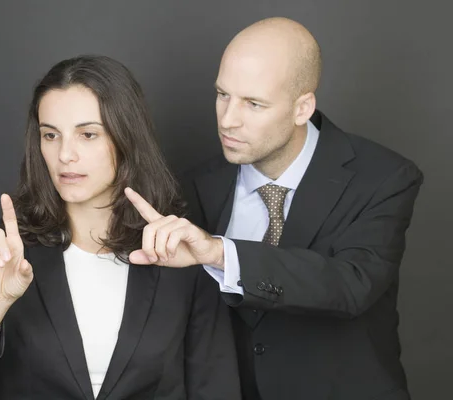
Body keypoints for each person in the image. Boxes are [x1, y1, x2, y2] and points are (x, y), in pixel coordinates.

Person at [124, 17, 423, 400]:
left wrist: (220, 252)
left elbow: (351, 284)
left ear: (302, 107)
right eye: (222, 94)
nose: (228, 120)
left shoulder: (384, 177)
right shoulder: (194, 185)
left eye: (253, 103)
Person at [0, 55, 241, 400]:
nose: (65, 155)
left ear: (126, 137)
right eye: (50, 135)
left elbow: (216, 388)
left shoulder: (182, 252)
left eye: (87, 134)